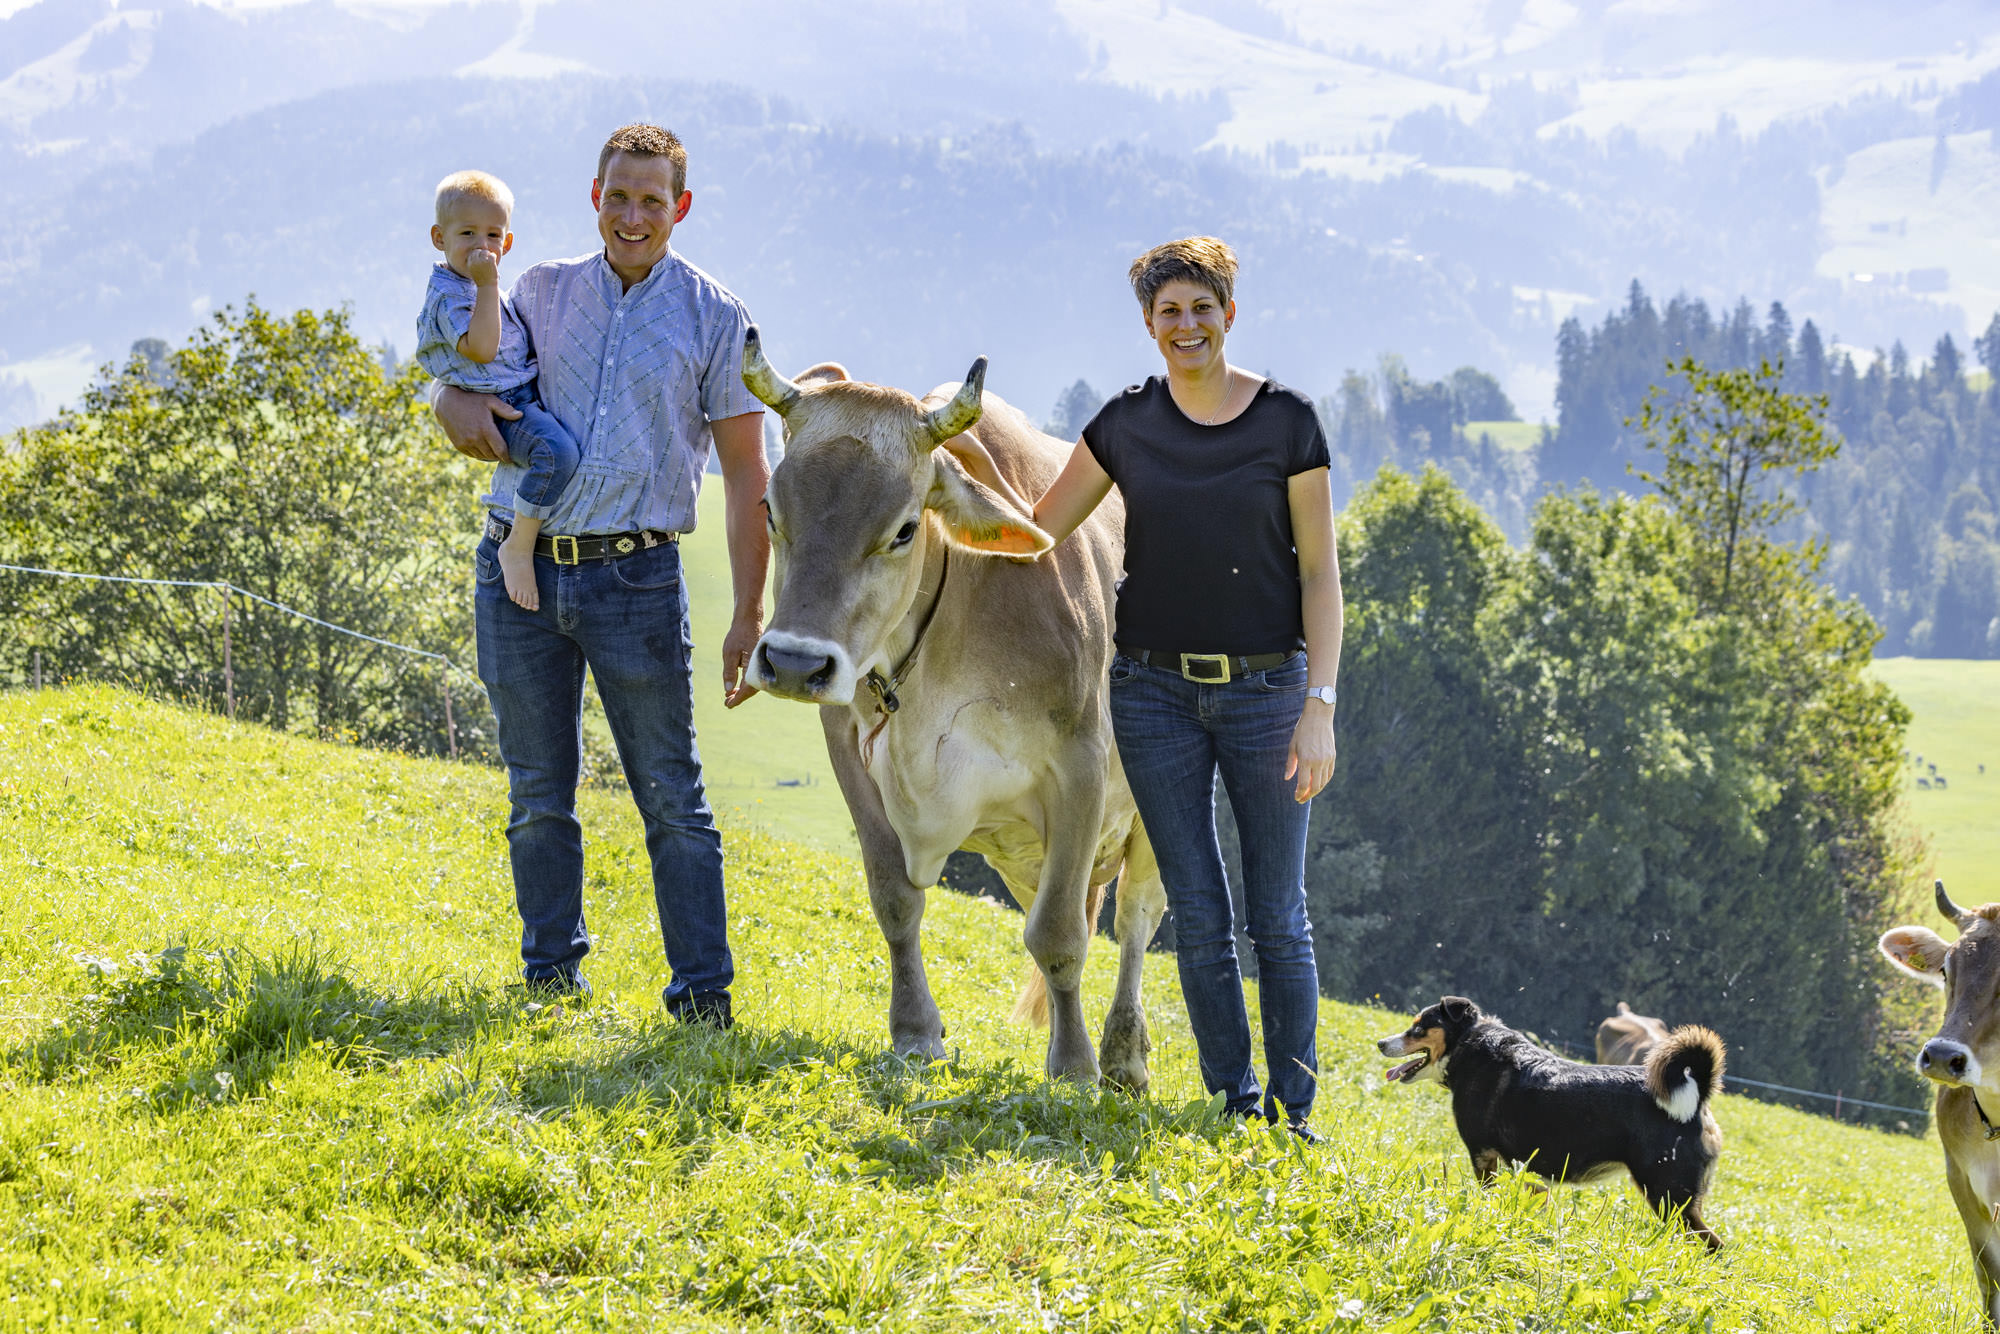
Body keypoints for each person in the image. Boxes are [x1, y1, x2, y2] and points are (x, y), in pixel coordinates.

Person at [949, 236, 1342, 1136]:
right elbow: (1036, 531)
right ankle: (1233, 1102)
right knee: (1196, 911)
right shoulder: (1125, 425)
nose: (1186, 325)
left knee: (1278, 916)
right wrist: (938, 488)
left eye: (1203, 307)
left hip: (1269, 694)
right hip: (1153, 698)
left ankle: (1293, 1112)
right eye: (1170, 311)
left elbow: (1321, 575)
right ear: (1148, 323)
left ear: (1230, 313)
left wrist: (1319, 706)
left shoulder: (1288, 423)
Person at [431, 124, 770, 1025]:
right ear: (594, 196)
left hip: (636, 580)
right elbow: (470, 367)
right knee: (537, 795)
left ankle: (702, 1001)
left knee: (673, 799)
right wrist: (445, 397)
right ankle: (551, 982)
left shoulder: (717, 317)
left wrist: (749, 613)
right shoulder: (537, 290)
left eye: (651, 200)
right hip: (517, 571)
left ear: (680, 208)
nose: (632, 216)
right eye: (617, 196)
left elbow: (748, 475)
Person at [416, 170, 579, 612]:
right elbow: (483, 349)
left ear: (507, 242)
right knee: (557, 454)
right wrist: (488, 286)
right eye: (467, 233)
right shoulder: (452, 296)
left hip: (517, 393)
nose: (481, 246)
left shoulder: (473, 285)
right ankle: (518, 546)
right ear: (439, 238)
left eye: (492, 235)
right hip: (504, 406)